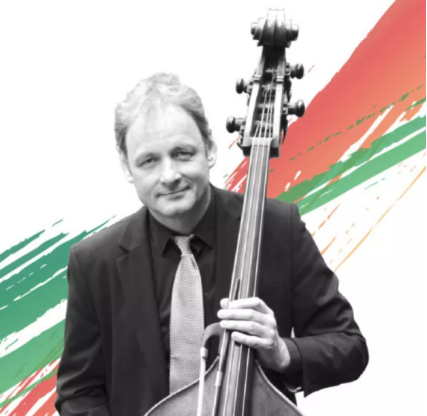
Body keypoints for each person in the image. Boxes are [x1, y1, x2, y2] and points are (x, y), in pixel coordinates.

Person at [55, 73, 369, 416]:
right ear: (127, 167)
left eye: (182, 153)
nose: (169, 175)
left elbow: (349, 346)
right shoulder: (93, 262)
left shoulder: (278, 228)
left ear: (210, 148)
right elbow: (78, 392)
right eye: (149, 160)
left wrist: (282, 352)